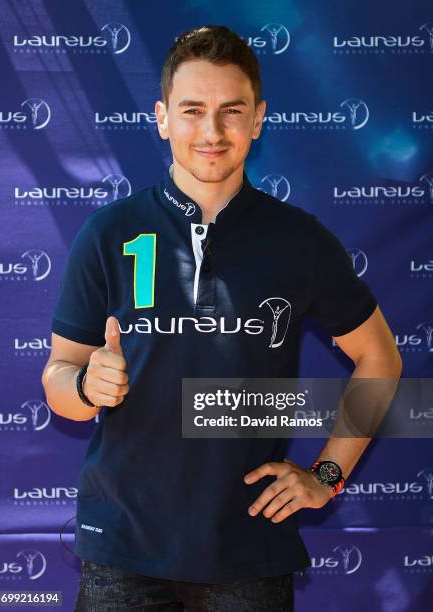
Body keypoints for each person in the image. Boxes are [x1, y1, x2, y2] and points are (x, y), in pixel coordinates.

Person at [42, 25, 402, 612]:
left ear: (258, 119)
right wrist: (85, 386)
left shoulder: (299, 240)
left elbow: (381, 357)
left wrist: (327, 475)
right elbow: (59, 377)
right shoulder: (108, 233)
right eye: (192, 111)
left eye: (231, 111)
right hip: (123, 552)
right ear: (162, 118)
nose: (211, 132)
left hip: (248, 551)